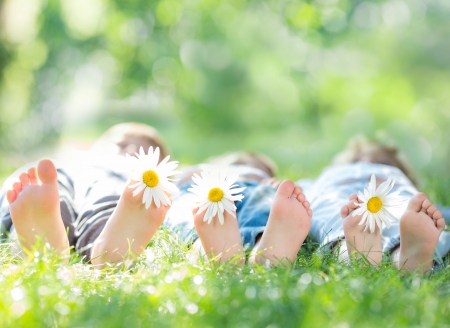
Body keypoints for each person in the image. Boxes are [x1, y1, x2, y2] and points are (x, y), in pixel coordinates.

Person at [300, 136, 449, 273]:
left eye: (384, 163)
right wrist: (280, 189)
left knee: (409, 215)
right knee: (335, 215)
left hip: (392, 197)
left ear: (407, 177)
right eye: (355, 161)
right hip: (336, 193)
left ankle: (411, 255)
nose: (367, 162)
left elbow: (434, 212)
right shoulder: (328, 177)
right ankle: (355, 251)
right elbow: (299, 192)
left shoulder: (400, 181)